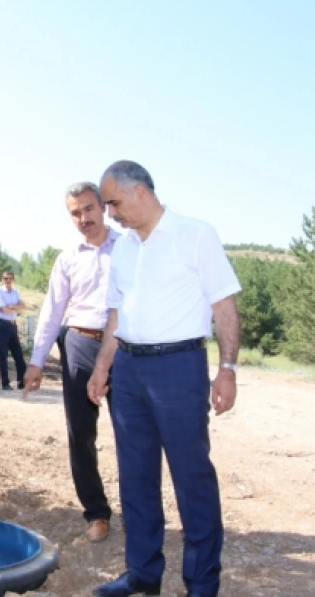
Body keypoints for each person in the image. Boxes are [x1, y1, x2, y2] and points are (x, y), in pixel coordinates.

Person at [87, 161, 241, 597]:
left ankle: (201, 583)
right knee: (135, 475)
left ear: (140, 192)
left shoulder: (195, 235)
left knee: (191, 478)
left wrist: (227, 369)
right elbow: (116, 313)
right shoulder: (124, 248)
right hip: (130, 371)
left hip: (179, 368)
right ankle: (142, 574)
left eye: (113, 203)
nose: (110, 213)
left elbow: (225, 307)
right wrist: (102, 368)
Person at [22, 181, 119, 543]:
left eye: (89, 209)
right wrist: (36, 362)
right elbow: (51, 312)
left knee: (132, 433)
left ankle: (142, 513)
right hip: (78, 343)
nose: (83, 218)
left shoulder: (126, 250)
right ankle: (96, 514)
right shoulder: (67, 259)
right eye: (75, 213)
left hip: (123, 347)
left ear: (103, 207)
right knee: (81, 433)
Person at [0, 271, 27, 390]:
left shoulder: (15, 292)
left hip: (13, 326)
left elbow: (23, 306)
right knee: (3, 355)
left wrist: (12, 307)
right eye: (5, 278)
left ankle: (21, 381)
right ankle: (5, 383)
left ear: (13, 280)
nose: (8, 281)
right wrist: (14, 307)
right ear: (2, 280)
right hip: (2, 325)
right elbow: (3, 309)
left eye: (10, 278)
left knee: (18, 355)